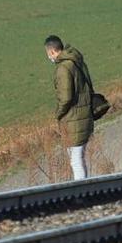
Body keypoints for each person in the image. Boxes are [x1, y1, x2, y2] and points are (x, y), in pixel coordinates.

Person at [44, 34, 95, 180]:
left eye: (48, 53)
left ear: (52, 51)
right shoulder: (76, 61)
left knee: (76, 160)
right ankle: (82, 188)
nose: (49, 57)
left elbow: (65, 98)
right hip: (83, 115)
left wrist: (58, 113)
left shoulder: (63, 68)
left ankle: (81, 192)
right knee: (79, 158)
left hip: (73, 118)